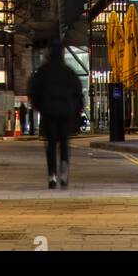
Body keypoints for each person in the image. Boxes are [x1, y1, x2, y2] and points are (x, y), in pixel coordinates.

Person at [27, 41, 84, 189]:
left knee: (51, 144)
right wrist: (76, 111)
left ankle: (52, 175)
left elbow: (33, 91)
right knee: (64, 143)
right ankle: (64, 170)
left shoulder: (43, 71)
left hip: (49, 112)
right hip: (65, 112)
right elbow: (78, 93)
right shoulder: (68, 72)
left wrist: (39, 107)